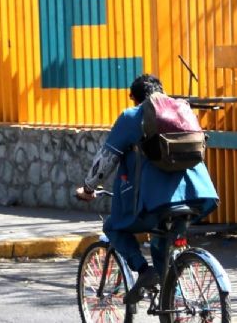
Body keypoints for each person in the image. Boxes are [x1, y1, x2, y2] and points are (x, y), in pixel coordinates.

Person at [75, 74, 219, 304]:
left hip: (155, 202)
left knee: (113, 227)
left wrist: (89, 188)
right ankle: (169, 300)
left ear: (134, 98)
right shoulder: (182, 111)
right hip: (197, 196)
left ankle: (144, 271)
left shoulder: (132, 116)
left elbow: (107, 159)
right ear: (161, 91)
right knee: (164, 240)